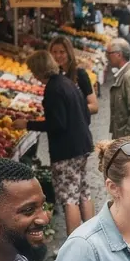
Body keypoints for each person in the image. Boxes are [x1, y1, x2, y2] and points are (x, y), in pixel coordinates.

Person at [13, 51, 94, 236]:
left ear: (39, 70)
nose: (33, 75)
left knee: (69, 198)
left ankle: (74, 245)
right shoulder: (67, 83)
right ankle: (93, 236)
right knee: (83, 192)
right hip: (81, 145)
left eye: (33, 70)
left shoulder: (53, 89)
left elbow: (57, 124)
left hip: (67, 150)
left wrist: (28, 124)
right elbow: (85, 113)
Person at [49, 34, 98, 125]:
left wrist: (69, 112)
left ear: (69, 53)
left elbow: (94, 106)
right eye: (54, 52)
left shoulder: (80, 74)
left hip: (78, 129)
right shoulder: (54, 75)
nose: (58, 55)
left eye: (62, 52)